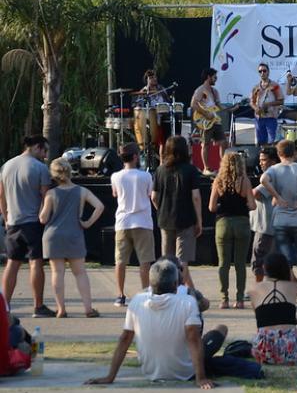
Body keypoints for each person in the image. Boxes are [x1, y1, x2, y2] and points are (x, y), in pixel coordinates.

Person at [85, 259, 217, 389]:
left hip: (150, 372)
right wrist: (201, 378)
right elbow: (193, 339)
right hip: (185, 372)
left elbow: (125, 339)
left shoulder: (137, 300)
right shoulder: (188, 301)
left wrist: (110, 377)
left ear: (151, 283)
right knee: (220, 331)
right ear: (176, 283)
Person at [39, 158, 104, 318]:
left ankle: (61, 309)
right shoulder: (81, 191)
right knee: (80, 273)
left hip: (53, 236)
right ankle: (88, 308)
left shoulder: (51, 194)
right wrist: (87, 223)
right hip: (74, 234)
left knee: (57, 273)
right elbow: (100, 206)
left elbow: (43, 218)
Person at [261, 140, 297, 307]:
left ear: (279, 154)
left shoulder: (274, 170)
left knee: (285, 260)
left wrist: (277, 196)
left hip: (281, 220)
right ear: (294, 153)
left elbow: (263, 179)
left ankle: (287, 296)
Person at [0, 135, 53, 317]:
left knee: (12, 264)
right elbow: (46, 197)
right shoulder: (40, 168)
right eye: (44, 150)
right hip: (32, 222)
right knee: (35, 262)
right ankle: (38, 306)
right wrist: (43, 217)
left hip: (13, 222)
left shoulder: (6, 166)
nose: (45, 155)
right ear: (37, 147)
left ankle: (5, 307)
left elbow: (1, 195)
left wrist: (6, 218)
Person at [151, 136, 201, 289]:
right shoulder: (191, 170)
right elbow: (196, 197)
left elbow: (154, 197)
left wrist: (162, 209)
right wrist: (199, 220)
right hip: (186, 219)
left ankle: (166, 288)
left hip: (165, 219)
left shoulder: (160, 170)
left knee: (166, 260)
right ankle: (189, 291)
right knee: (182, 260)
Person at [111, 143, 155, 307]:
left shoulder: (115, 176)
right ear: (135, 157)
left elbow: (115, 194)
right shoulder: (146, 176)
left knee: (120, 261)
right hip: (143, 221)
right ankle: (145, 293)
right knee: (145, 261)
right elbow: (149, 194)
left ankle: (120, 294)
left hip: (123, 221)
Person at [209, 153, 256, 309]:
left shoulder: (218, 181)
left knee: (223, 264)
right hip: (242, 223)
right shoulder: (245, 181)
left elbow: (211, 207)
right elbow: (253, 205)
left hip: (223, 224)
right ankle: (240, 299)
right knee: (240, 264)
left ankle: (224, 299)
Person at [249, 252, 297, 365]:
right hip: (290, 350)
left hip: (264, 350)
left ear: (264, 267)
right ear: (286, 269)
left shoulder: (254, 290)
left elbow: (266, 315)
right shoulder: (293, 287)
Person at [191, 67, 229, 176]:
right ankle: (206, 168)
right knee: (206, 143)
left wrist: (230, 109)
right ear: (208, 77)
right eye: (214, 77)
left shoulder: (215, 91)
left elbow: (218, 105)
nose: (216, 79)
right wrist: (205, 113)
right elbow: (193, 104)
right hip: (205, 120)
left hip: (215, 120)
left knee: (223, 142)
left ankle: (223, 168)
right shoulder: (200, 90)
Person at [251, 147, 279, 282]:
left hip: (265, 226)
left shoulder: (271, 176)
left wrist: (243, 189)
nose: (261, 163)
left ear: (273, 161)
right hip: (267, 224)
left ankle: (259, 287)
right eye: (260, 160)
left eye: (264, 160)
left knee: (258, 259)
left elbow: (255, 193)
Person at [250, 63, 283, 147]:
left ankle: (273, 159)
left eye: (264, 71)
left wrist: (268, 104)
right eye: (260, 71)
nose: (262, 73)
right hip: (259, 118)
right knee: (261, 142)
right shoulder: (256, 87)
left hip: (270, 118)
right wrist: (255, 108)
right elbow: (251, 101)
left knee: (272, 141)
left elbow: (281, 101)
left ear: (268, 72)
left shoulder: (275, 86)